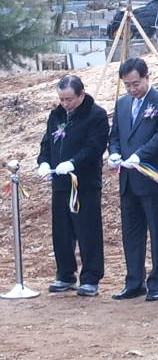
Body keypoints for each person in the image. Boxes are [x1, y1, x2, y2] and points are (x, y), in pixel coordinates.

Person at [108, 57, 158, 302]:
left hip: (154, 177)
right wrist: (114, 152)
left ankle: (157, 281)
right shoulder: (122, 103)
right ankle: (134, 281)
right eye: (127, 85)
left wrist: (139, 155)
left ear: (147, 77)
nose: (132, 89)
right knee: (132, 233)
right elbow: (115, 134)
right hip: (128, 179)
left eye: (136, 83)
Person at [37, 75, 109, 297]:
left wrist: (73, 163)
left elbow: (94, 146)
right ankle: (65, 274)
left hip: (84, 183)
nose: (65, 104)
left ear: (81, 95)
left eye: (69, 99)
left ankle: (90, 277)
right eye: (61, 99)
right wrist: (44, 162)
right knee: (62, 231)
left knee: (87, 230)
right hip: (60, 183)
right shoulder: (56, 114)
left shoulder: (96, 115)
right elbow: (47, 142)